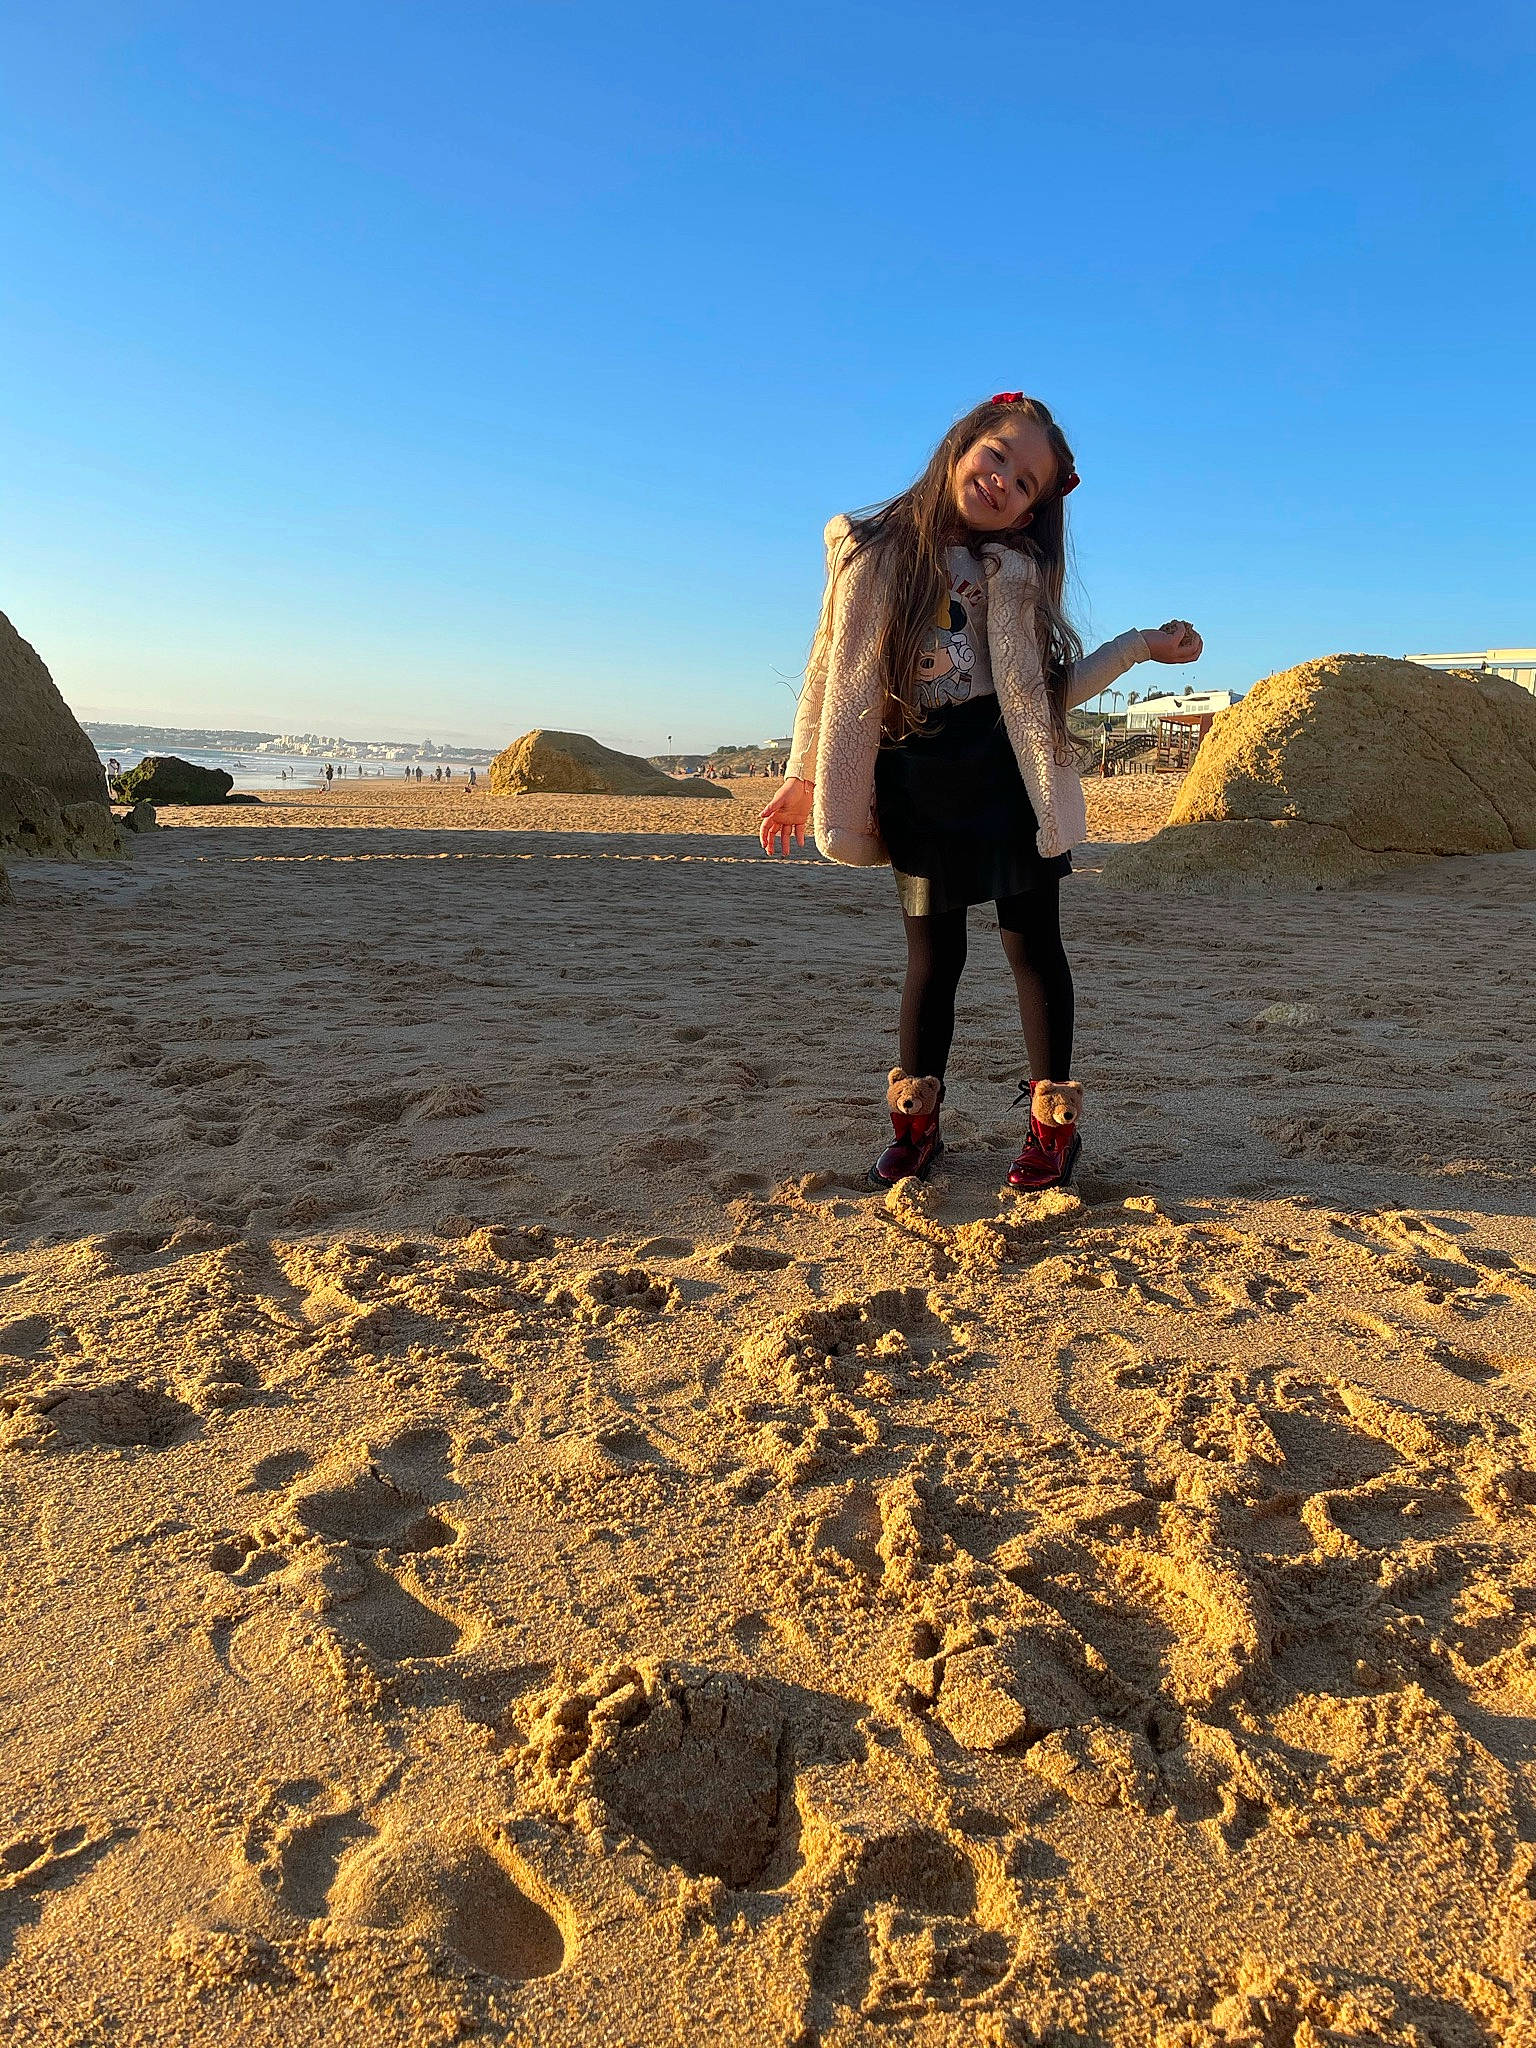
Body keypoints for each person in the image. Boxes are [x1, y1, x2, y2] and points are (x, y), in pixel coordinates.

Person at [759, 392, 1201, 1192]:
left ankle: (1053, 1129)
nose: (1004, 479)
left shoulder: (1014, 575)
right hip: (914, 776)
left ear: (1031, 513)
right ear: (962, 445)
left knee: (1032, 946)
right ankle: (915, 1125)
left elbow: (1045, 695)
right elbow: (831, 669)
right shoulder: (871, 550)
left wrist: (1140, 646)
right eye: (998, 456)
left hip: (1006, 777)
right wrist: (803, 773)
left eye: (1026, 482)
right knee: (932, 955)